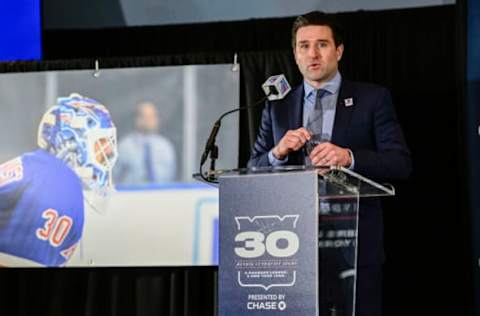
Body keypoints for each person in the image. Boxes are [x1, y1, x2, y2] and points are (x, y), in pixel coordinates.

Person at [248, 11, 411, 316]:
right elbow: (254, 168)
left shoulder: (373, 99)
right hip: (292, 246)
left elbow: (400, 163)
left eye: (321, 44)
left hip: (355, 245)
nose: (312, 53)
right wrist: (278, 153)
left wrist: (347, 157)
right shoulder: (277, 108)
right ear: (295, 54)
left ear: (338, 51)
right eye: (303, 45)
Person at [0, 94, 118, 267]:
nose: (108, 154)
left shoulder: (37, 167)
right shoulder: (58, 185)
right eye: (101, 143)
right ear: (72, 141)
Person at [114, 102, 176, 185]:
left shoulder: (165, 147)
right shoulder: (124, 147)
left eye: (152, 116)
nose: (149, 120)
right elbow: (115, 177)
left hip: (161, 195)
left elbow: (171, 176)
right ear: (137, 119)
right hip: (130, 195)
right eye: (145, 116)